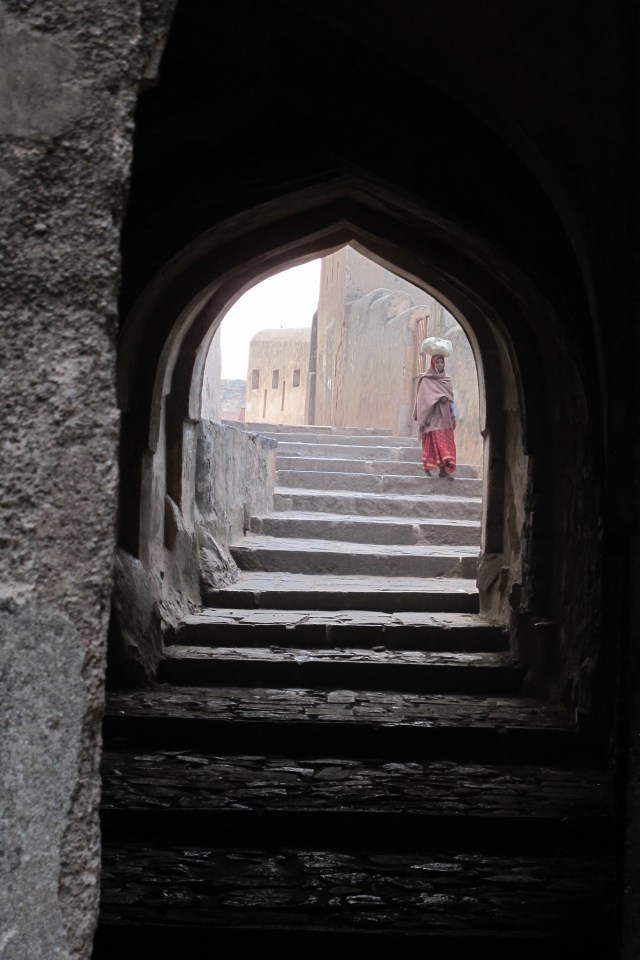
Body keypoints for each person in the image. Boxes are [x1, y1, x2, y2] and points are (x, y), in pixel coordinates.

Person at [413, 354, 457, 478]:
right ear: (433, 364)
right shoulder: (426, 379)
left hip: (445, 416)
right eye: (437, 362)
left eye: (441, 362)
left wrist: (454, 416)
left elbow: (451, 399)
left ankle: (444, 470)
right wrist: (439, 397)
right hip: (431, 416)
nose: (439, 364)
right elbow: (423, 398)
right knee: (433, 441)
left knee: (446, 442)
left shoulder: (447, 379)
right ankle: (427, 468)